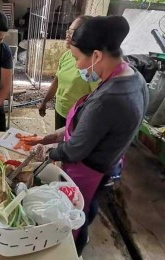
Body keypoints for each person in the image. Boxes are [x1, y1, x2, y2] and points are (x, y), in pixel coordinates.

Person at [29, 16, 148, 255]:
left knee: (75, 220)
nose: (78, 66)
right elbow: (90, 128)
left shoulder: (107, 99)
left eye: (77, 59)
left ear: (96, 56)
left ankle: (74, 250)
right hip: (109, 164)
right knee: (87, 212)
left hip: (89, 171)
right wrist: (49, 137)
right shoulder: (135, 78)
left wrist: (48, 153)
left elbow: (75, 150)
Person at [39, 15, 97, 129]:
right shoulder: (67, 55)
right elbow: (57, 81)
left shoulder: (92, 65)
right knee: (59, 142)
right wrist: (45, 101)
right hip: (60, 110)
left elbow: (96, 98)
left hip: (78, 117)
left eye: (72, 31)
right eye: (68, 30)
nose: (67, 34)